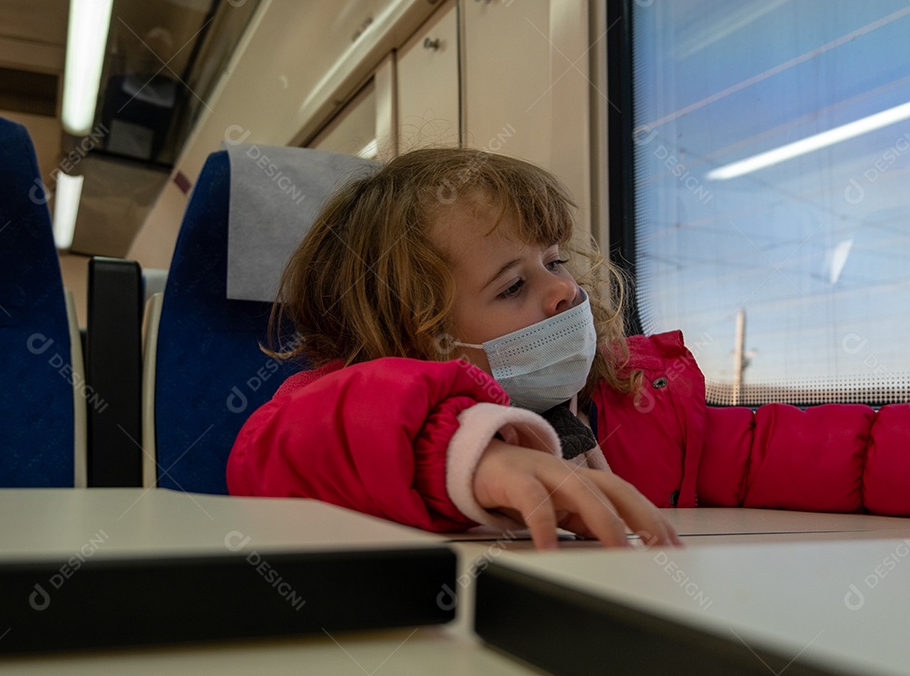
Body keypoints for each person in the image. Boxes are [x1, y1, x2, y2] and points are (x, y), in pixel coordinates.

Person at [226, 148, 910, 548]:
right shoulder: (341, 407)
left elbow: (817, 452)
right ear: (413, 337)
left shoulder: (637, 403)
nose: (562, 291)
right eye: (512, 284)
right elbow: (270, 450)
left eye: (554, 261)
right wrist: (465, 451)